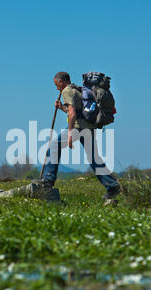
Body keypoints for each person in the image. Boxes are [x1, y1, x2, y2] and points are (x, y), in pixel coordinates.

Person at [34, 71, 121, 203]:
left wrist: (69, 133)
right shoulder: (78, 90)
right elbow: (77, 111)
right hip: (89, 128)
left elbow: (73, 114)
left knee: (53, 146)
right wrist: (62, 107)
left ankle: (47, 180)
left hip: (78, 128)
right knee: (94, 158)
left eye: (56, 84)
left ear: (62, 81)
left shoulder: (67, 91)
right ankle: (112, 186)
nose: (56, 87)